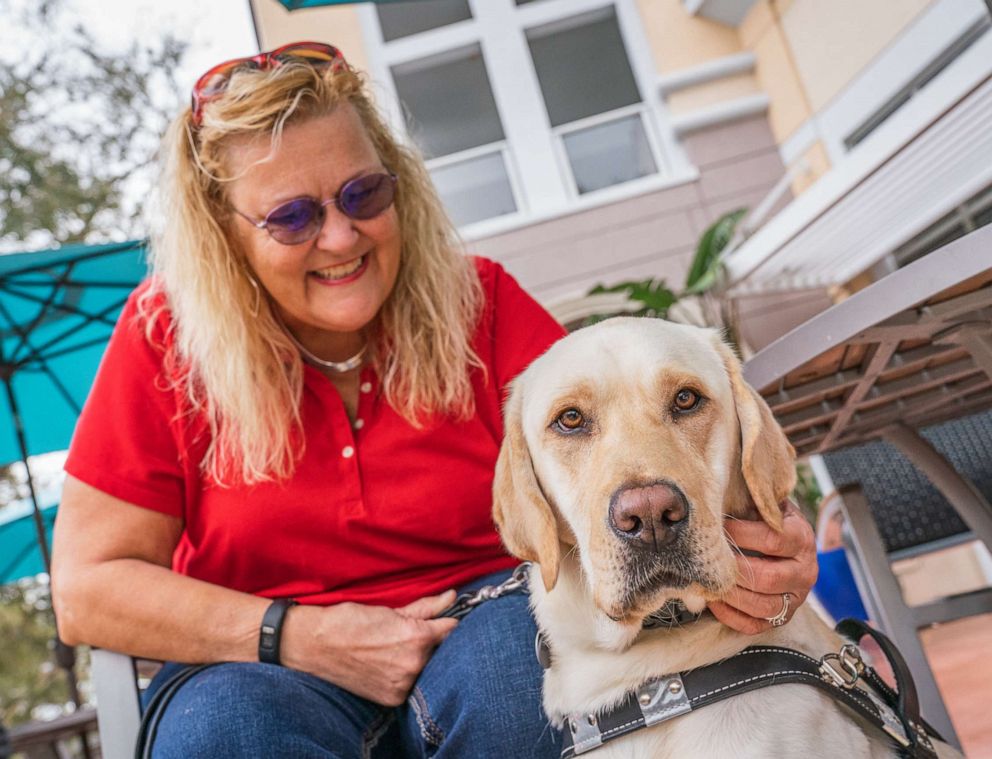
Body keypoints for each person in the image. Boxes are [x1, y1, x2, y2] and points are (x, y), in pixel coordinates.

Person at [51, 42, 819, 758]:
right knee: (226, 733)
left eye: (364, 191)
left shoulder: (478, 300)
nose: (342, 236)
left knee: (520, 687)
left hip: (484, 616)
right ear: (227, 233)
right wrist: (297, 635)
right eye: (292, 216)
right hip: (261, 659)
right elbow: (88, 587)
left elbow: (628, 452)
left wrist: (774, 554)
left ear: (400, 182)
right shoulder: (164, 342)